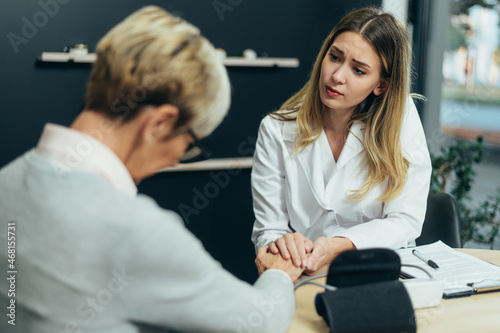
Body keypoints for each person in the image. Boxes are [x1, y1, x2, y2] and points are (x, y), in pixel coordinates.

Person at [0, 6, 303, 333]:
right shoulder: (133, 230)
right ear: (160, 123)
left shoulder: (8, 180)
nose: (176, 159)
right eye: (189, 143)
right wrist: (279, 273)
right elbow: (259, 323)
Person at [251, 7, 432, 275]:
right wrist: (282, 243)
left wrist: (339, 245)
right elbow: (268, 230)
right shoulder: (276, 129)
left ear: (381, 85)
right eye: (335, 57)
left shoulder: (400, 119)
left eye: (358, 70)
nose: (337, 76)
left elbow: (405, 220)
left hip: (382, 270)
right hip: (307, 270)